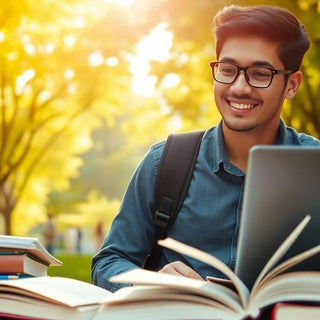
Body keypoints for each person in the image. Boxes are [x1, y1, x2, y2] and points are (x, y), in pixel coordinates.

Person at [91, 5, 320, 292]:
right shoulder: (165, 163)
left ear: (292, 85)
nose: (238, 87)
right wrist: (152, 282)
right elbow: (110, 261)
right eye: (227, 69)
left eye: (260, 74)